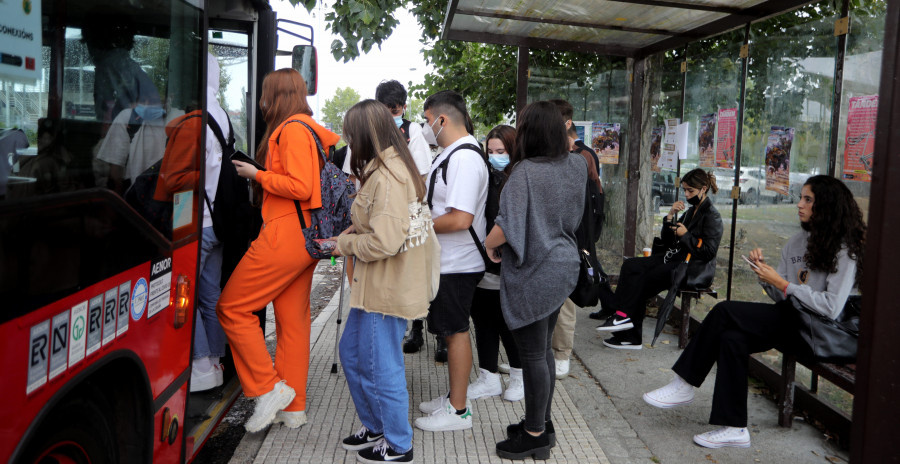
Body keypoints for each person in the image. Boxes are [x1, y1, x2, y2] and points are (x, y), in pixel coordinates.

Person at [643, 175, 865, 449]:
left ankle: (685, 382)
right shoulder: (795, 242)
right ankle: (735, 427)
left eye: (808, 199)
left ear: (827, 206)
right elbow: (780, 294)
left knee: (724, 312)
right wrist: (765, 276)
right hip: (788, 319)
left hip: (816, 333)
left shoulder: (845, 251)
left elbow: (831, 308)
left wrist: (782, 283)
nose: (799, 205)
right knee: (731, 339)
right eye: (800, 197)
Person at [216, 68, 340, 432]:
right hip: (304, 238)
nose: (260, 101)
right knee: (293, 323)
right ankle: (293, 407)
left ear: (277, 96)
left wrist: (256, 175)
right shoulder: (309, 130)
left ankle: (267, 388)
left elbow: (300, 187)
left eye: (265, 93)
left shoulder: (291, 131)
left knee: (232, 308)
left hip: (284, 235)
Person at [332, 99, 438, 464]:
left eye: (350, 135)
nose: (348, 142)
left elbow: (385, 241)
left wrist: (342, 243)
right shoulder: (386, 167)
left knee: (380, 364)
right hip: (373, 283)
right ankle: (377, 426)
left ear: (365, 135)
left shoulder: (389, 175)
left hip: (386, 286)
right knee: (352, 354)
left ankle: (398, 443)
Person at [483, 101, 585, 460]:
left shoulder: (524, 171)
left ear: (528, 132)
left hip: (535, 272)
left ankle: (534, 434)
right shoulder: (577, 165)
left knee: (532, 355)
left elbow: (504, 229)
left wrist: (488, 245)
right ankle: (541, 420)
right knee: (543, 351)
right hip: (563, 267)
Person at [414, 90, 488, 432]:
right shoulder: (451, 154)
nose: (426, 128)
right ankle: (453, 398)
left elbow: (460, 219)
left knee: (455, 333)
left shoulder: (463, 159)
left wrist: (416, 225)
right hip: (448, 260)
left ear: (442, 119)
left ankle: (459, 411)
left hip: (457, 263)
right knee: (449, 331)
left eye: (428, 121)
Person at [596, 168, 723, 349]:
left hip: (692, 268)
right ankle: (622, 320)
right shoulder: (691, 211)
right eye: (685, 190)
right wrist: (670, 216)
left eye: (690, 191)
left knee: (643, 277)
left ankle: (627, 327)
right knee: (631, 266)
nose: (686, 195)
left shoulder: (712, 216)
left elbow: (709, 252)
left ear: (703, 189)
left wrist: (686, 235)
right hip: (674, 259)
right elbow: (668, 241)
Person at [189, 52, 255, 393]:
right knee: (211, 292)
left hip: (198, 221)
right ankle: (216, 361)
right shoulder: (222, 115)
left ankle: (200, 363)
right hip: (220, 221)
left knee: (185, 291)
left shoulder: (195, 116)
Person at [466, 124, 524, 403]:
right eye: (490, 151)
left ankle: (519, 375)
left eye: (500, 151)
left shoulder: (520, 178)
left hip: (509, 261)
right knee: (482, 317)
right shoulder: (488, 176)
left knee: (507, 322)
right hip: (483, 261)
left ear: (513, 150)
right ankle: (488, 375)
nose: (494, 156)